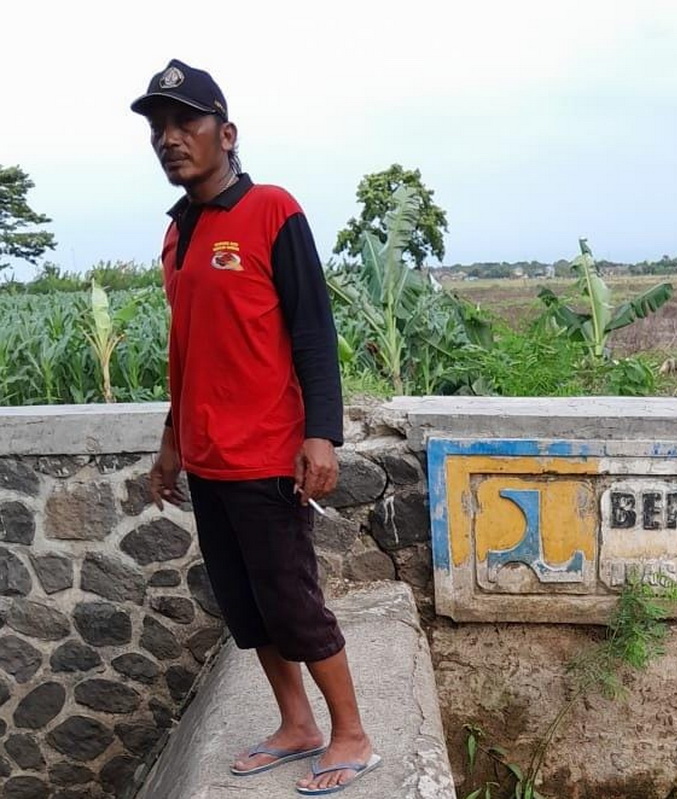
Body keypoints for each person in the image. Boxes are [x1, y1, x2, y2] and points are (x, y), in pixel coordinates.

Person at [132, 59, 379, 795]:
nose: (170, 139)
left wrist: (321, 434)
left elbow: (311, 329)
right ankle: (296, 723)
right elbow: (189, 352)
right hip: (207, 458)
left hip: (267, 453)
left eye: (186, 123)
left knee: (293, 600)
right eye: (158, 129)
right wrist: (172, 444)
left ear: (225, 133)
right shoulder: (178, 238)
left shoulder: (272, 210)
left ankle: (353, 734)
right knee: (246, 607)